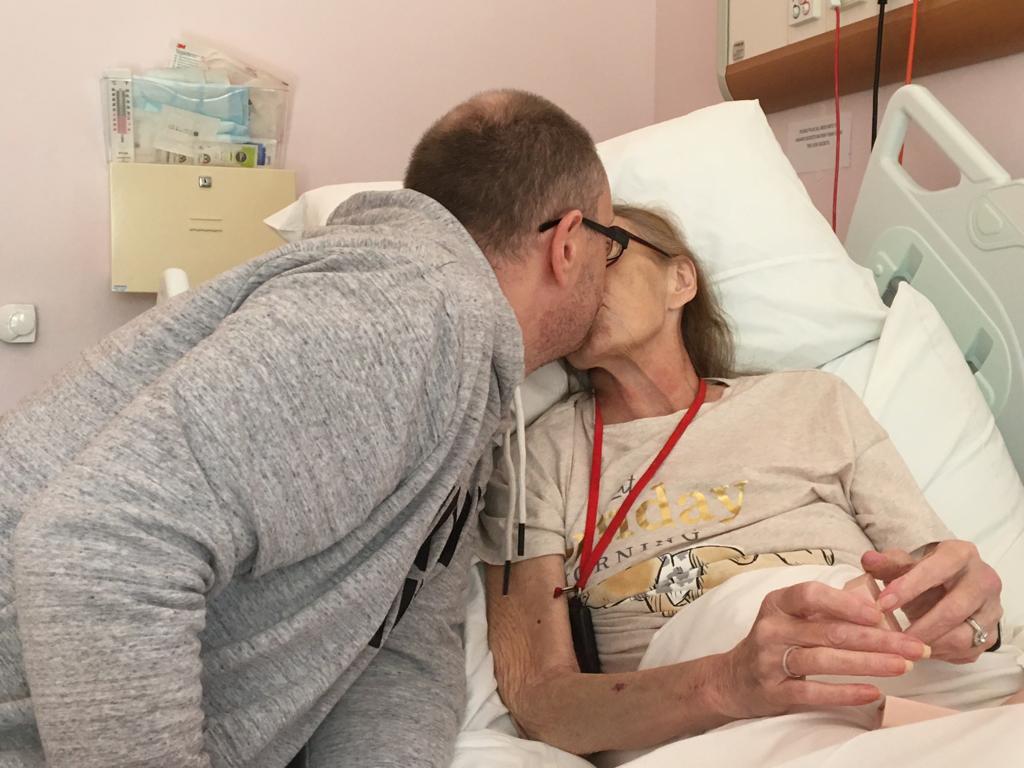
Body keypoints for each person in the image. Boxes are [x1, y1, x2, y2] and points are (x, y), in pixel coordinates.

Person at [0, 89, 617, 768]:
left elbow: (398, 644)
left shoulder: (466, 388)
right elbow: (97, 548)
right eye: (610, 246)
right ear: (568, 243)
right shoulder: (411, 311)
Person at [480, 204, 1019, 758]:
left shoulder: (813, 400)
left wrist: (972, 613)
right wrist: (724, 682)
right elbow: (541, 705)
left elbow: (934, 585)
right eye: (563, 266)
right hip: (713, 725)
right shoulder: (535, 458)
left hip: (881, 669)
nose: (583, 277)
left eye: (608, 250)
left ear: (680, 280)